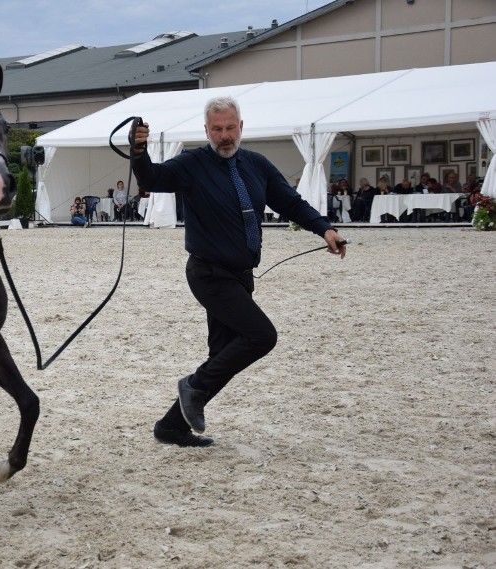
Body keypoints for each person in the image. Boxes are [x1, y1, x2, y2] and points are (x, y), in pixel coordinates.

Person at [130, 95, 346, 448]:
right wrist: (139, 153)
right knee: (261, 336)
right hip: (208, 274)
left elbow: (290, 202)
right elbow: (153, 177)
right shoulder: (192, 163)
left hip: (241, 275)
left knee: (223, 356)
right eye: (217, 129)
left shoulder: (257, 164)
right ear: (207, 130)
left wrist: (324, 228)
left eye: (230, 128)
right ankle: (193, 386)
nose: (225, 135)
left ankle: (170, 427)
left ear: (241, 126)